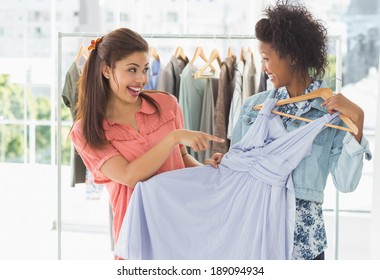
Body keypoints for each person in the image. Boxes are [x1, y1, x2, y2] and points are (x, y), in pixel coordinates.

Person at [231, 1, 372, 260]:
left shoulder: (330, 115)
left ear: (292, 56)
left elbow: (346, 183)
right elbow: (236, 176)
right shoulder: (254, 108)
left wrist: (358, 121)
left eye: (267, 58)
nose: (263, 67)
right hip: (257, 240)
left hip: (305, 247)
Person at [69, 27, 224, 258]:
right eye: (132, 70)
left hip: (181, 225)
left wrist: (208, 172)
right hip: (137, 236)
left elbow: (180, 160)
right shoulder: (87, 131)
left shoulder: (167, 104)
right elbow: (130, 176)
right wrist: (174, 137)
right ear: (107, 70)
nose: (141, 79)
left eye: (145, 69)